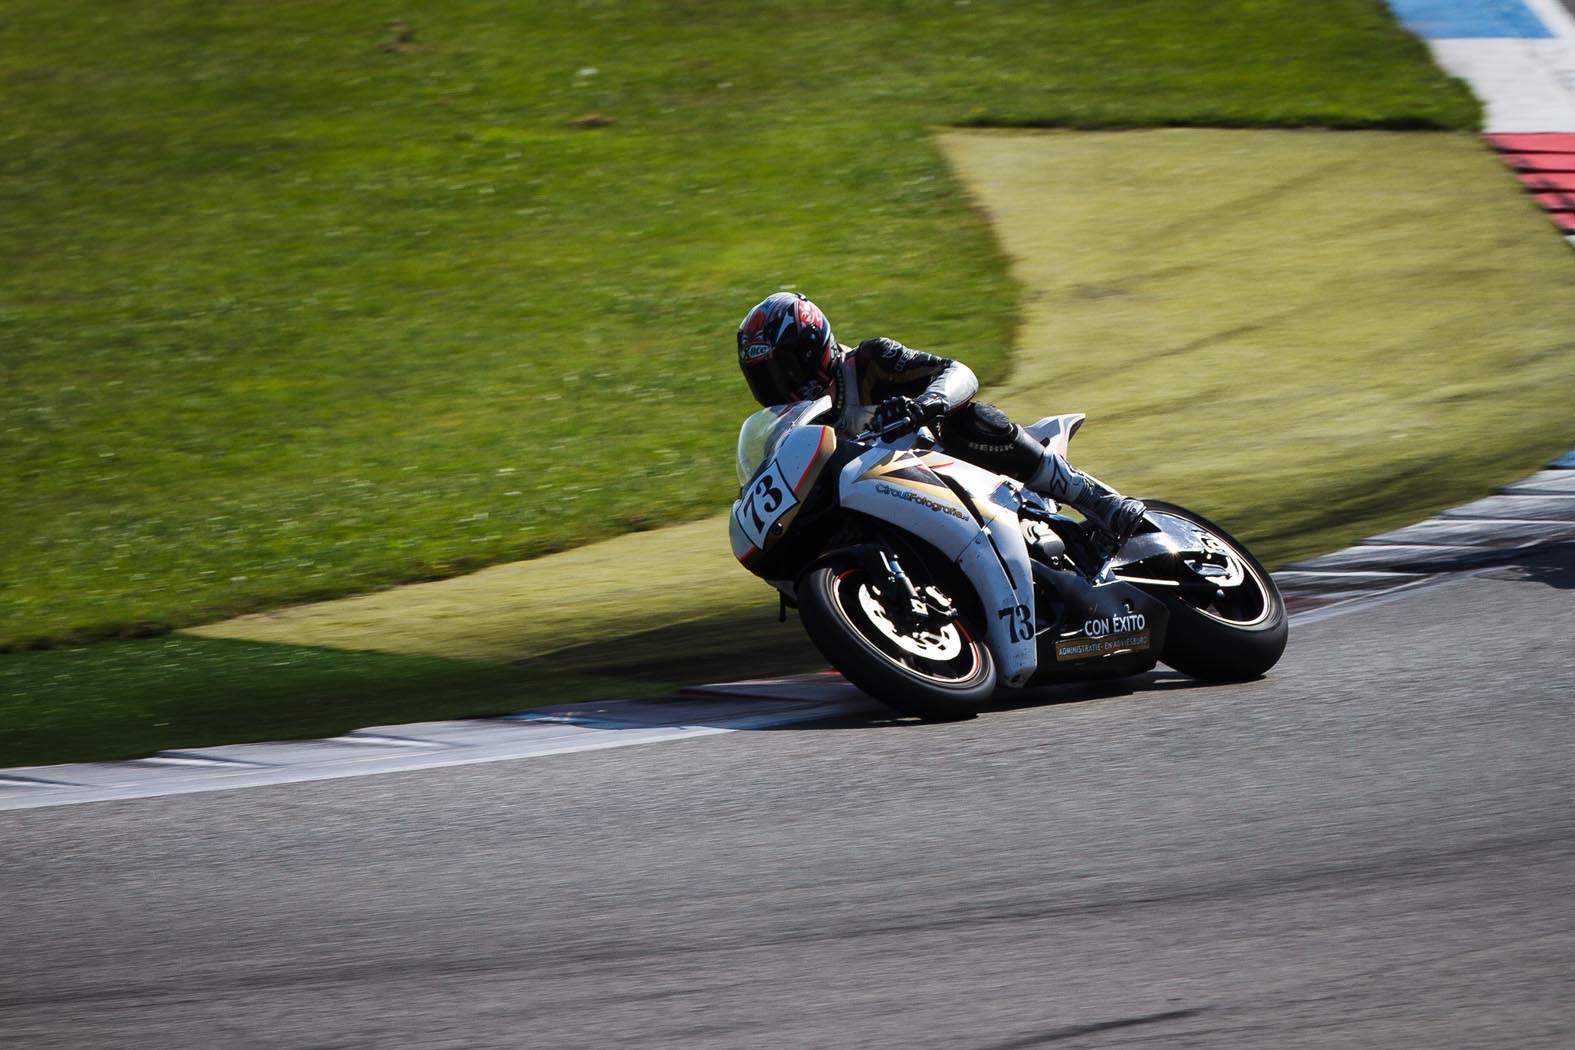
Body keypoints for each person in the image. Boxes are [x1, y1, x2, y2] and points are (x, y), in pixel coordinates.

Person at [736, 291, 1145, 541]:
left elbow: (959, 373)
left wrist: (925, 405)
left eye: (782, 371)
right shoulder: (795, 431)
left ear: (812, 351)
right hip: (893, 503)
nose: (778, 386)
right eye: (763, 378)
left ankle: (1096, 498)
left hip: (951, 468)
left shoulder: (869, 362)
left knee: (966, 418)